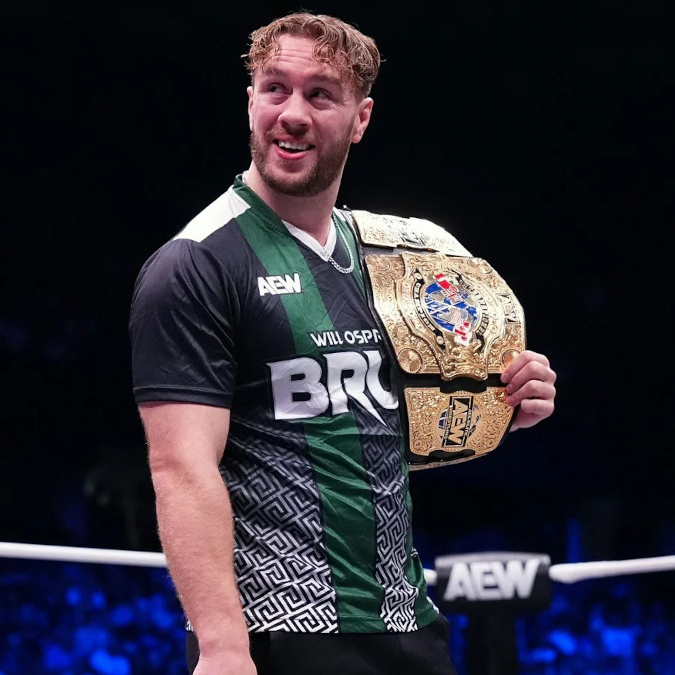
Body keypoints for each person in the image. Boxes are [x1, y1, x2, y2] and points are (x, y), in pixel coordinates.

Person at [128, 12, 557, 675]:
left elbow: (378, 429)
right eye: (275, 88)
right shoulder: (196, 265)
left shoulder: (396, 258)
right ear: (250, 101)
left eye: (320, 95)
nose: (292, 113)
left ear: (361, 118)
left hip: (408, 620)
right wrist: (221, 647)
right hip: (278, 631)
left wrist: (502, 400)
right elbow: (181, 468)